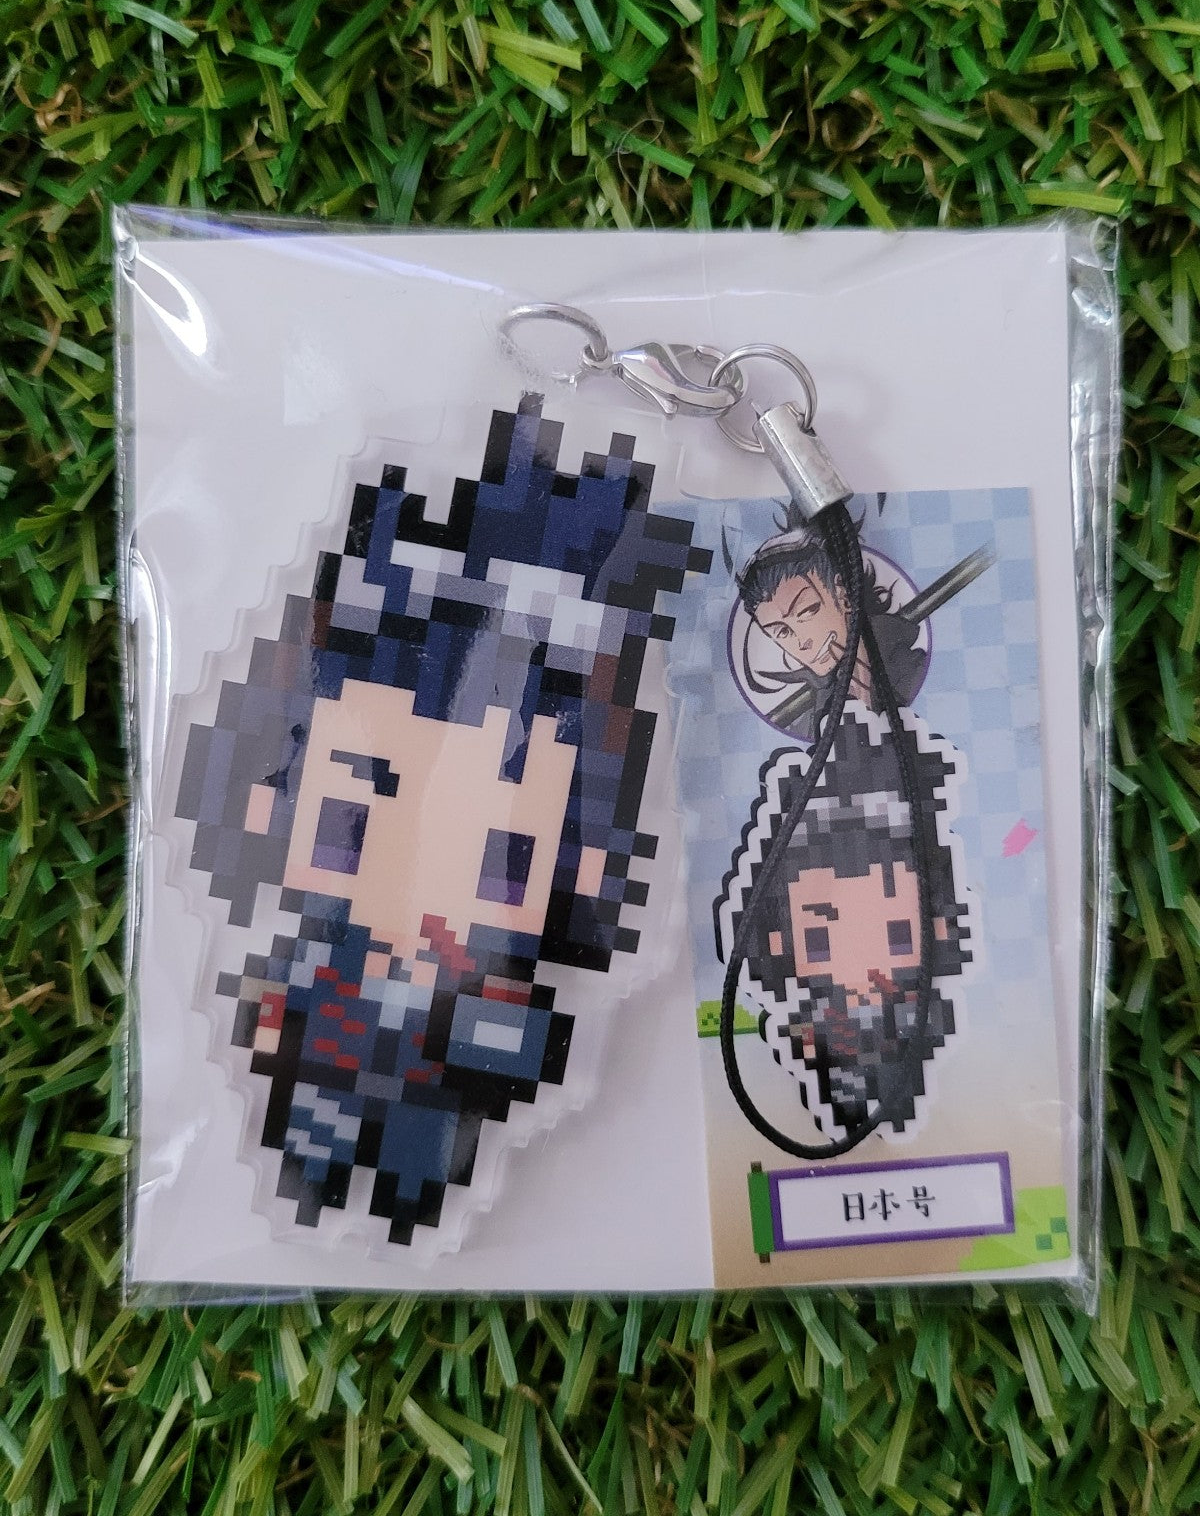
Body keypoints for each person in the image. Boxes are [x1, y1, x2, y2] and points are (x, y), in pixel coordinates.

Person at [177, 394, 710, 1244]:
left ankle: (390, 1194)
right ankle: (336, 1187)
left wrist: (481, 1023)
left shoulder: (503, 959)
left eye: (499, 851)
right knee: (325, 1161)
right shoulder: (320, 943)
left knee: (412, 1178)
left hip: (434, 1094)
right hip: (335, 1074)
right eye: (355, 818)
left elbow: (530, 1049)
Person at [715, 704, 972, 1141]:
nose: (864, 968)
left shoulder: (919, 1011)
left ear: (940, 929)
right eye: (819, 940)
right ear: (777, 940)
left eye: (898, 935)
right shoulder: (815, 1022)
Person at [735, 517, 927, 738]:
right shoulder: (807, 725)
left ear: (842, 594)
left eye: (807, 611)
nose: (803, 642)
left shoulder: (915, 669)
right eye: (782, 632)